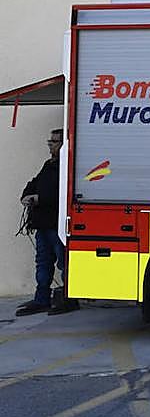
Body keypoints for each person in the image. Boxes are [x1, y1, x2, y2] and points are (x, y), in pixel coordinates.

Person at [16, 128, 77, 316]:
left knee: (63, 263)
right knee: (43, 262)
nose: (50, 144)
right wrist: (26, 195)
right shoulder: (48, 165)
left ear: (63, 144)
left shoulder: (67, 167)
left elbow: (62, 194)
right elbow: (34, 183)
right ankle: (41, 299)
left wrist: (39, 198)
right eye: (49, 141)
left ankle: (69, 299)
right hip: (43, 225)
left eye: (55, 141)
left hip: (56, 225)